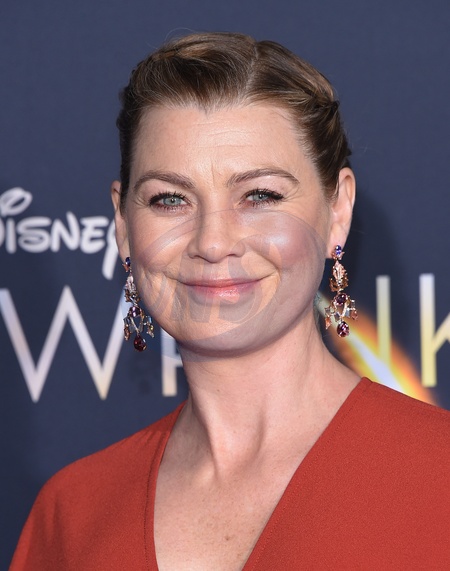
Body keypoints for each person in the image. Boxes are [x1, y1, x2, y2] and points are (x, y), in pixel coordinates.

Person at [10, 32, 450, 570]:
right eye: (170, 199)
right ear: (123, 225)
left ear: (338, 209)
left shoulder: (440, 476)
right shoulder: (73, 513)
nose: (213, 243)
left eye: (259, 196)